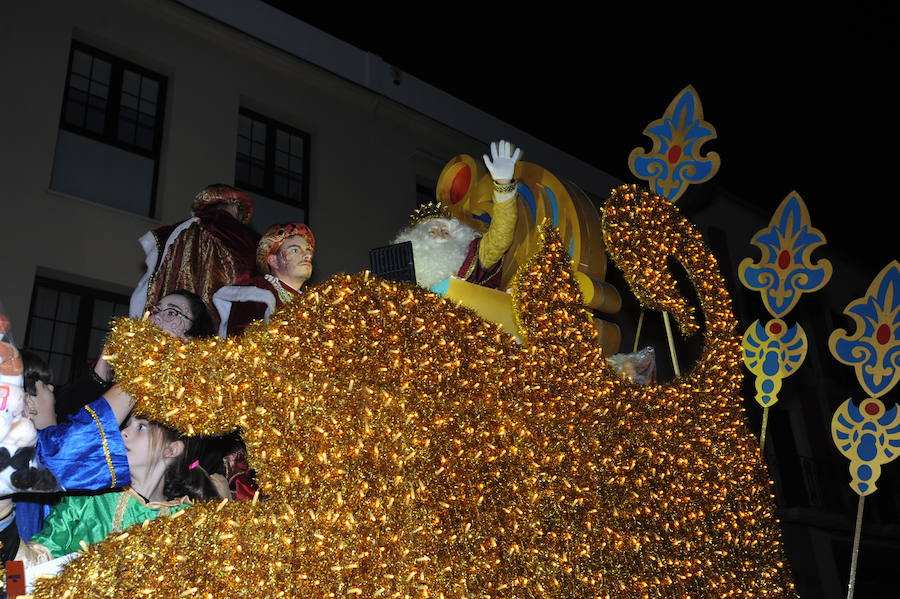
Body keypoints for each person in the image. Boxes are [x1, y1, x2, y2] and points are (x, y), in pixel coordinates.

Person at [2, 414, 224, 567]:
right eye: (127, 424)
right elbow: (25, 570)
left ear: (172, 449)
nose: (123, 432)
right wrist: (3, 511)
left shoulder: (190, 521)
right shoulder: (85, 502)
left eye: (141, 426)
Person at [55, 290, 216, 419]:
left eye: (172, 313)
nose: (157, 317)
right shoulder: (122, 373)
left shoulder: (198, 393)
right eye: (156, 310)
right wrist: (102, 371)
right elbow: (64, 417)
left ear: (192, 337)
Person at [391, 140, 521, 290]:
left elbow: (501, 235)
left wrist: (503, 184)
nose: (439, 234)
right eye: (432, 231)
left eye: (445, 232)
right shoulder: (400, 281)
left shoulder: (474, 257)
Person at [129, 184, 261, 329]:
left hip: (170, 327)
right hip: (225, 334)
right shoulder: (249, 239)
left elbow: (147, 284)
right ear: (235, 207)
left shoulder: (173, 232)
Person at [212, 222, 315, 337]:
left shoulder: (311, 304)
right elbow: (242, 343)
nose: (307, 255)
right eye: (295, 250)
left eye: (308, 251)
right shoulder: (257, 293)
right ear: (273, 261)